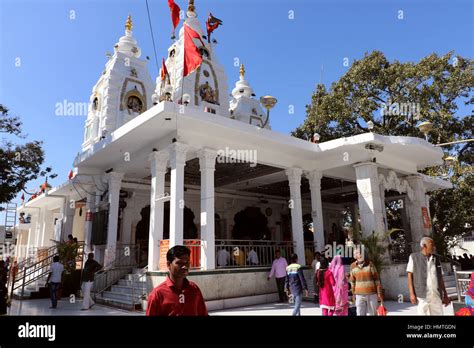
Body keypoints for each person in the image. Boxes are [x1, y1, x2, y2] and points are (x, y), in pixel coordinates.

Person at [146, 245, 208, 316]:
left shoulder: (194, 289)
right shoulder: (157, 294)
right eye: (179, 263)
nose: (184, 266)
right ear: (169, 264)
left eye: (187, 262)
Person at [407, 236, 450, 315]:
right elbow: (410, 276)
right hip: (422, 295)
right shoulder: (413, 257)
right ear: (424, 246)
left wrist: (445, 294)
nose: (434, 247)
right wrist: (411, 293)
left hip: (436, 294)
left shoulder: (436, 259)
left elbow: (440, 278)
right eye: (431, 244)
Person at [349, 246, 383, 316]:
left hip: (372, 294)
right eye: (355, 252)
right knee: (360, 314)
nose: (355, 253)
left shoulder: (370, 264)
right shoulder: (352, 266)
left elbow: (377, 280)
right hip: (359, 295)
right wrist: (353, 294)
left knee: (373, 314)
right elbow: (352, 281)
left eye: (357, 252)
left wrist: (379, 293)